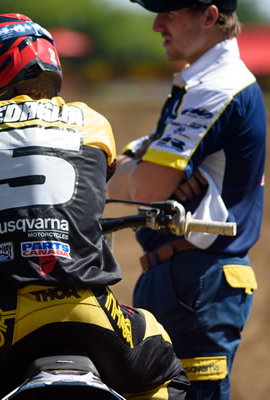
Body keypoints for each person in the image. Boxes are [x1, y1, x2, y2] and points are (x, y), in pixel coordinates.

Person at [0, 13, 189, 400]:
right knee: (168, 377)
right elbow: (94, 183)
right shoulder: (93, 123)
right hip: (93, 310)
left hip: (7, 323)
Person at [108, 0, 266, 399]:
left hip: (198, 280)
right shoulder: (199, 84)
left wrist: (129, 175)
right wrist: (133, 172)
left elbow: (143, 188)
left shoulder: (218, 86)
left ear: (210, 16)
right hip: (184, 277)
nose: (156, 24)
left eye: (169, 13)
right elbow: (130, 166)